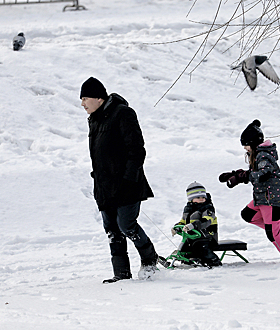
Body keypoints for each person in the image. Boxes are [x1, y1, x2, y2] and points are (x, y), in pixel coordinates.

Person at [80, 77, 158, 283]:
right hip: (104, 187)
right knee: (112, 231)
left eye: (85, 98)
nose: (82, 103)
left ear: (98, 98)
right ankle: (121, 274)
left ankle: (150, 260)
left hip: (126, 185)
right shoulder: (94, 120)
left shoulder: (123, 113)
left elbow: (137, 150)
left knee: (127, 225)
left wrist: (129, 179)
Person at [219, 120, 280, 265]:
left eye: (246, 145)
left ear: (253, 143)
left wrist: (242, 177)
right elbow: (254, 172)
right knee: (248, 214)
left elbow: (263, 173)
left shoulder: (264, 156)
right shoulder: (260, 155)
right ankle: (274, 224)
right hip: (262, 197)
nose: (245, 148)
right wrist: (234, 174)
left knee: (273, 234)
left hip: (270, 198)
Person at [169, 181, 222, 267]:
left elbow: (206, 221)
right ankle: (187, 260)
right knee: (185, 247)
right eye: (198, 197)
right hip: (193, 236)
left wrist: (194, 225)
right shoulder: (188, 209)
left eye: (203, 197)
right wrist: (177, 227)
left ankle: (212, 260)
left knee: (200, 247)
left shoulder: (208, 208)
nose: (201, 199)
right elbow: (183, 221)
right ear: (191, 199)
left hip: (207, 236)